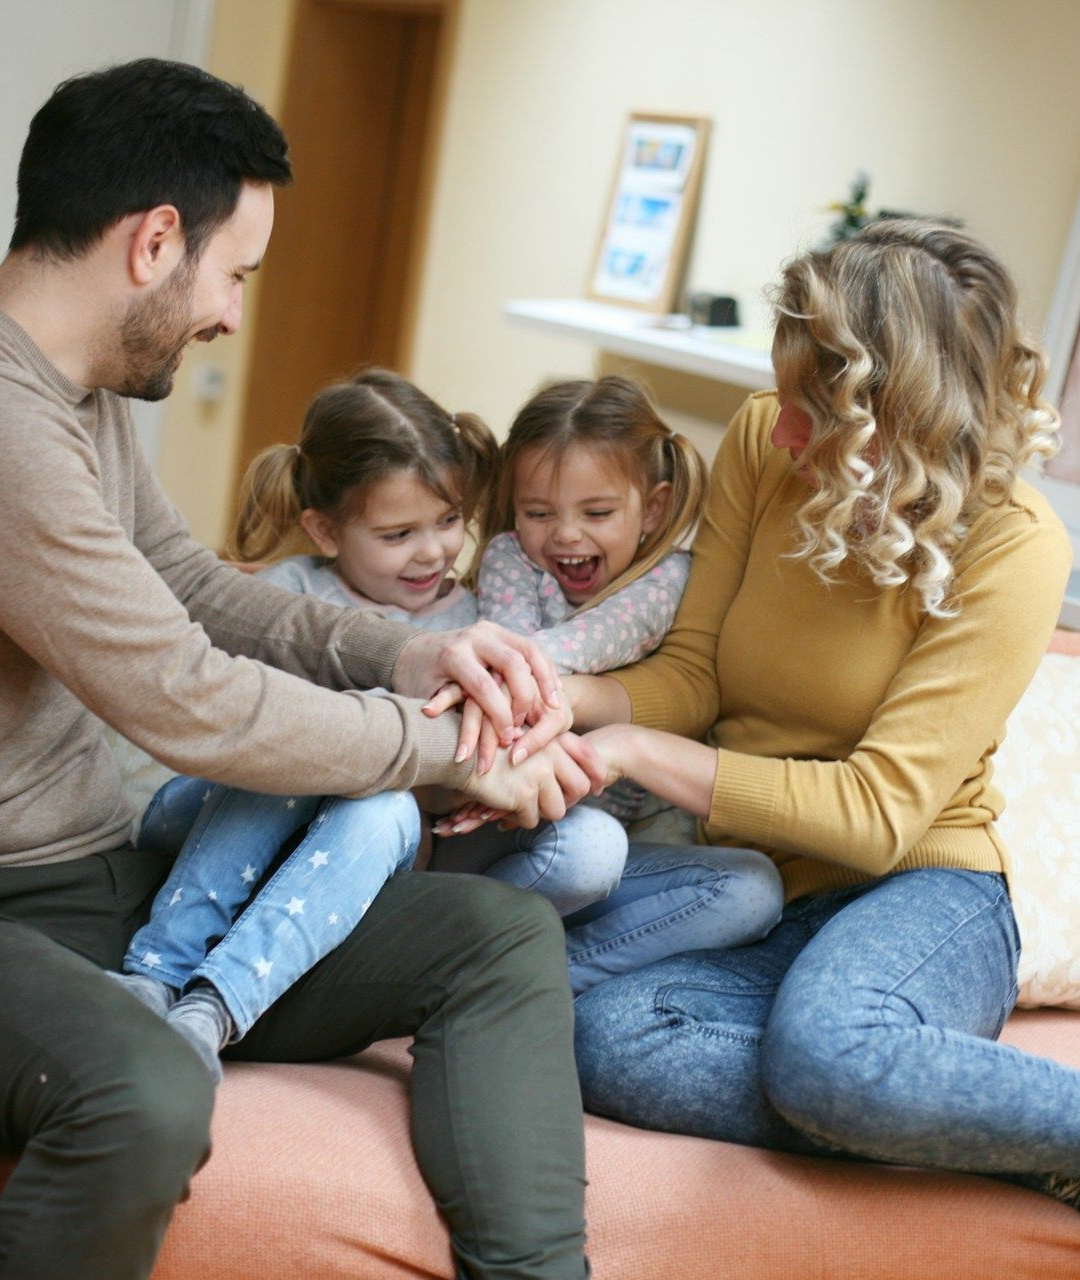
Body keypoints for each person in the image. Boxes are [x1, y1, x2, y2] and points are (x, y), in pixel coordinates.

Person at [0, 60, 601, 1280]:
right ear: (153, 242)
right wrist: (455, 750)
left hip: (69, 878)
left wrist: (416, 648)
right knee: (142, 1088)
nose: (231, 313)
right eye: (234, 273)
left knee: (488, 939)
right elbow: (189, 699)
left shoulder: (64, 388)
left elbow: (199, 586)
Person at [564, 219, 1080, 1208]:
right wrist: (571, 698)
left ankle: (890, 1082)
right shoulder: (765, 442)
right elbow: (696, 672)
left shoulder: (1013, 544)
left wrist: (633, 750)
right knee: (604, 1033)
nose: (779, 423)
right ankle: (944, 1115)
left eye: (813, 407)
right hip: (763, 893)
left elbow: (878, 812)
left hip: (925, 894)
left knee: (825, 1049)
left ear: (900, 411)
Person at [114, 368, 498, 1074]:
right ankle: (155, 974)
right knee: (303, 752)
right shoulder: (288, 594)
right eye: (397, 532)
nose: (433, 551)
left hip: (356, 850)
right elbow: (238, 730)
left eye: (449, 522)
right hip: (214, 810)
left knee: (381, 807)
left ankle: (213, 1010)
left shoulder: (472, 623)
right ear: (324, 529)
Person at [432, 376, 783, 991]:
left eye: (596, 513)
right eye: (539, 513)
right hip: (519, 824)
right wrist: (513, 689)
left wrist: (522, 682)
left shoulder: (670, 577)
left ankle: (535, 981)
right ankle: (447, 956)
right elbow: (512, 666)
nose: (565, 534)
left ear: (651, 509)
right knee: (588, 851)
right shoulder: (512, 558)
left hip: (618, 845)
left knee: (753, 889)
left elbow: (571, 650)